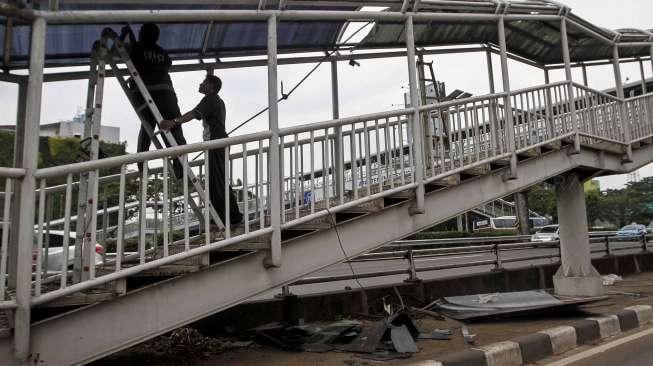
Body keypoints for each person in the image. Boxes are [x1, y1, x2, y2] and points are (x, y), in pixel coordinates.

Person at [160, 75, 243, 230]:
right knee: (220, 181)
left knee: (216, 182)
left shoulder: (210, 99)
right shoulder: (216, 100)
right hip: (218, 144)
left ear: (211, 86)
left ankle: (228, 218)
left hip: (215, 144)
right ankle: (231, 216)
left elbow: (193, 114)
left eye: (204, 82)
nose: (200, 84)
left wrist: (174, 122)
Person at [122, 23, 187, 178]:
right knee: (174, 129)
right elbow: (151, 56)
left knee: (147, 128)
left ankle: (141, 164)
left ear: (141, 34)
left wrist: (126, 34)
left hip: (145, 95)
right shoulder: (163, 54)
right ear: (157, 37)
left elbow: (128, 52)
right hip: (166, 94)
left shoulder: (134, 48)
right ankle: (180, 166)